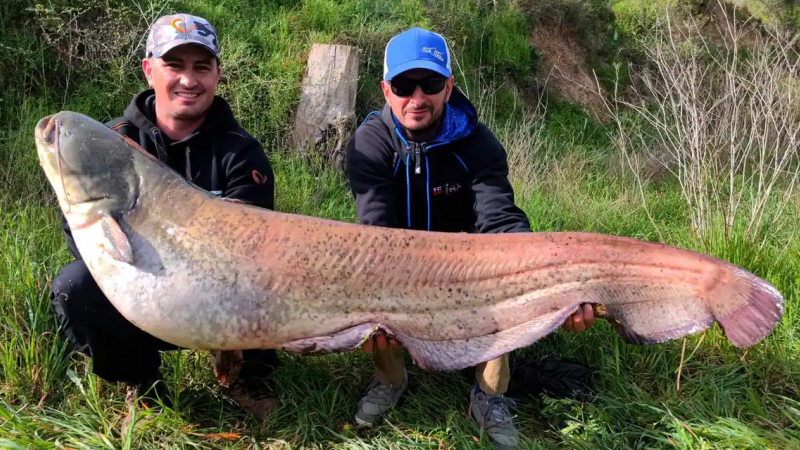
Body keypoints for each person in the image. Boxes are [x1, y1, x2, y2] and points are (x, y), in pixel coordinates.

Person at [345, 27, 596, 449]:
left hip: (470, 269)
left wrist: (540, 275)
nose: (417, 98)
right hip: (397, 265)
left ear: (449, 87)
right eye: (404, 86)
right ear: (386, 90)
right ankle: (390, 380)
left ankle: (490, 393)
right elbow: (376, 231)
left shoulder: (478, 143)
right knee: (370, 278)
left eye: (430, 84)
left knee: (508, 274)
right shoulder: (369, 143)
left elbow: (500, 219)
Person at [49, 13, 280, 419]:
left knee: (271, 277)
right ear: (149, 69)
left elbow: (255, 252)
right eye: (174, 65)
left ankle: (246, 375)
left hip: (223, 293)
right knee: (75, 285)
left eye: (201, 67)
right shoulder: (112, 143)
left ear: (217, 75)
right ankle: (142, 380)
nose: (188, 80)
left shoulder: (241, 152)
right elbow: (82, 233)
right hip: (142, 290)